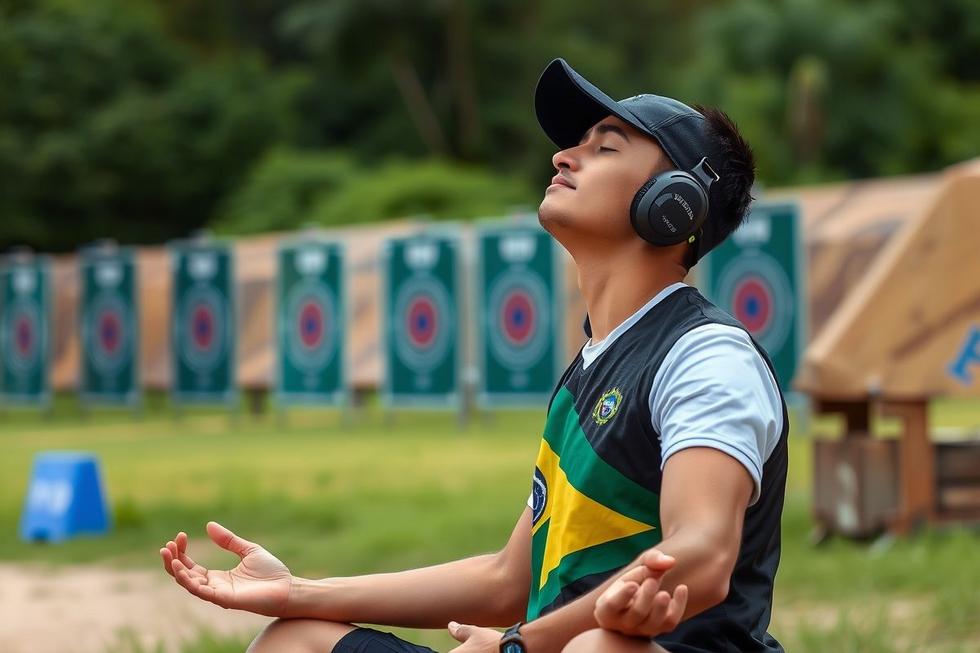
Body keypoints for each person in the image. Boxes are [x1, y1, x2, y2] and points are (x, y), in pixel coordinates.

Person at [160, 58, 787, 653]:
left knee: (602, 646)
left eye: (606, 146)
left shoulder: (706, 357)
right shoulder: (594, 366)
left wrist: (520, 644)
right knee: (294, 640)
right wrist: (294, 593)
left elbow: (701, 555)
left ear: (674, 203)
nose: (563, 155)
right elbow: (504, 583)